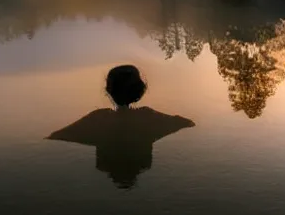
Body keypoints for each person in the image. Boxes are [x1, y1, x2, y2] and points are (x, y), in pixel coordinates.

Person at [48, 65, 195, 189]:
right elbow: (186, 123)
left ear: (108, 91)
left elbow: (57, 135)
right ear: (140, 91)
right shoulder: (149, 118)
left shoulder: (98, 120)